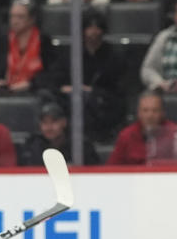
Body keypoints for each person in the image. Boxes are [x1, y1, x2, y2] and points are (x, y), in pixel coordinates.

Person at [51, 9, 125, 141]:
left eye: (97, 27)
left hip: (102, 105)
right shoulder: (70, 54)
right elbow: (56, 79)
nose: (93, 32)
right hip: (71, 101)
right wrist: (66, 88)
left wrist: (93, 91)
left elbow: (118, 88)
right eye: (89, 27)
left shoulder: (113, 56)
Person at [0, 0, 54, 94]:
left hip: (35, 90)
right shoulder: (3, 41)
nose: (15, 21)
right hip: (6, 90)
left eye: (20, 17)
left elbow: (52, 73)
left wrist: (30, 84)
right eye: (12, 16)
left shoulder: (44, 42)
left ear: (32, 19)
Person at [107, 90, 177, 165]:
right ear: (138, 113)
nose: (149, 116)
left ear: (163, 113)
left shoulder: (174, 133)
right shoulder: (126, 136)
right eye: (145, 110)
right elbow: (111, 170)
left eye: (155, 110)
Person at [19, 102, 99, 166]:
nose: (49, 127)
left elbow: (94, 173)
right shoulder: (32, 146)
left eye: (54, 122)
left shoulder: (80, 146)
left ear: (64, 122)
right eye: (45, 123)